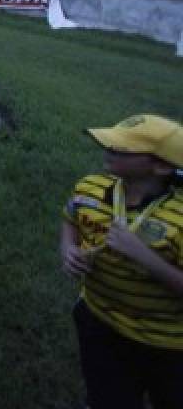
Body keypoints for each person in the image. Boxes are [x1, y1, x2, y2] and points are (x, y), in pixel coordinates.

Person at [60, 115, 183, 409]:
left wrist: (143, 255)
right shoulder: (90, 188)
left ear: (162, 166)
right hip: (99, 322)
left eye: (124, 148)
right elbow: (70, 217)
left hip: (168, 345)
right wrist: (67, 247)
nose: (109, 147)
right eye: (110, 140)